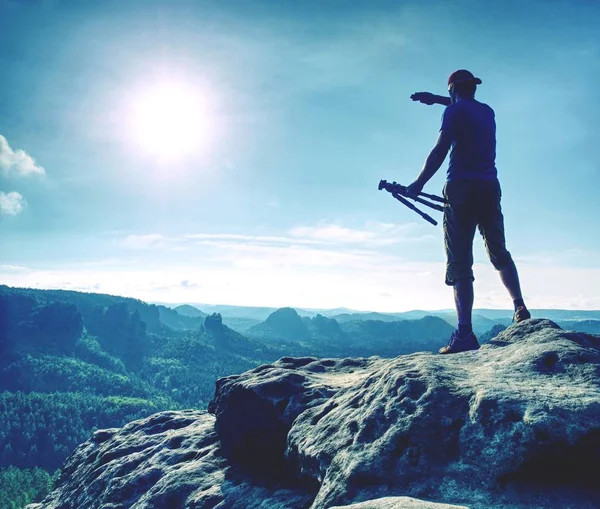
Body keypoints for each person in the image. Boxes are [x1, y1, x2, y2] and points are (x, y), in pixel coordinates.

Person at [406, 69, 530, 355]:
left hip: (460, 188)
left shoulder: (453, 113)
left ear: (451, 89)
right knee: (499, 251)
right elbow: (461, 105)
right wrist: (436, 99)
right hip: (490, 187)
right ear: (473, 88)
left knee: (460, 262)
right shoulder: (487, 112)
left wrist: (418, 184)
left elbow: (440, 148)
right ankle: (519, 307)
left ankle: (464, 335)